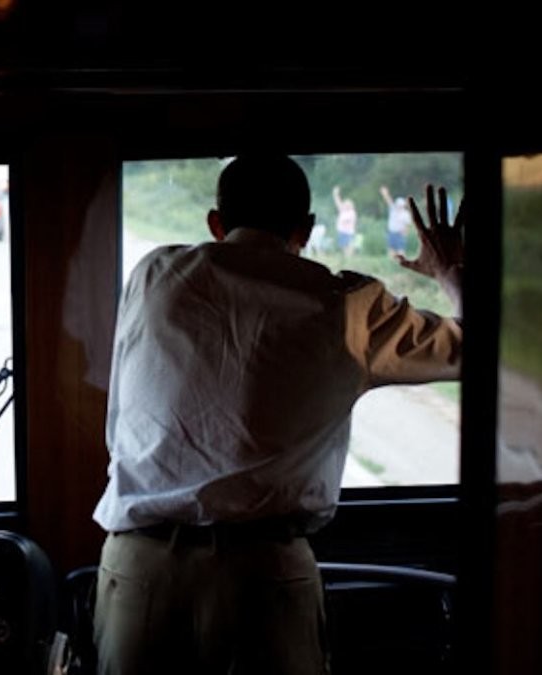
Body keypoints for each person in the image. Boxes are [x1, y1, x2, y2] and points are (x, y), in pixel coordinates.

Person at [92, 154, 466, 675]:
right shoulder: (348, 307)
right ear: (307, 229)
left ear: (216, 224)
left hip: (140, 568)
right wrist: (449, 273)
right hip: (263, 576)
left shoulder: (154, 275)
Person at [380, 185, 412, 257]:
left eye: (401, 205)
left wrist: (405, 233)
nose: (399, 206)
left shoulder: (406, 214)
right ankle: (391, 265)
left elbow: (407, 225)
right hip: (391, 232)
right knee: (391, 250)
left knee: (401, 251)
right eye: (398, 205)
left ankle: (402, 264)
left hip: (399, 233)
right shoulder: (393, 210)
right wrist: (385, 194)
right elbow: (388, 201)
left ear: (403, 205)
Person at [332, 185, 358, 256]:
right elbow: (338, 202)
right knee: (343, 245)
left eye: (347, 204)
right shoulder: (343, 211)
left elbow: (347, 221)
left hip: (349, 232)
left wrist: (342, 222)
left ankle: (350, 256)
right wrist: (335, 194)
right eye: (345, 204)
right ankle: (347, 256)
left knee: (349, 244)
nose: (345, 205)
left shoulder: (352, 212)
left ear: (351, 205)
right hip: (342, 231)